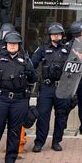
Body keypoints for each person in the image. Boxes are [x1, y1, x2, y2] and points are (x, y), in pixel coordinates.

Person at [0, 32, 37, 163]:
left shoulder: (25, 59)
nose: (12, 46)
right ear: (6, 45)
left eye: (15, 43)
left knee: (15, 130)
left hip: (19, 100)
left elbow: (34, 78)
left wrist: (29, 73)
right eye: (10, 43)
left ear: (19, 45)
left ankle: (10, 160)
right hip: (0, 98)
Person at [31, 23, 71, 152]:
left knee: (61, 116)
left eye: (58, 34)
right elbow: (31, 65)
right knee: (43, 116)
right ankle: (39, 142)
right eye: (54, 34)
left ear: (62, 35)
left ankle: (56, 142)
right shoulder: (42, 49)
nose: (56, 36)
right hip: (46, 87)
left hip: (62, 88)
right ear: (50, 36)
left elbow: (75, 68)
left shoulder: (68, 50)